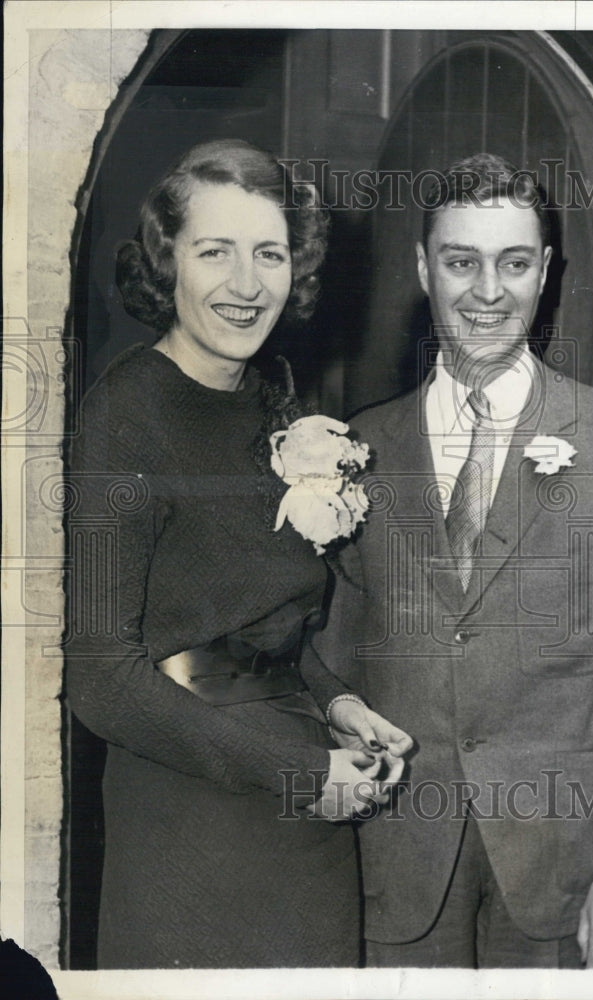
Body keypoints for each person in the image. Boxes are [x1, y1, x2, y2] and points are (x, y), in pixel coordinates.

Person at [313, 153, 593, 968]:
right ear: (424, 269)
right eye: (461, 262)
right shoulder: (362, 446)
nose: (488, 293)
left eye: (513, 263)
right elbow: (327, 657)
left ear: (544, 271)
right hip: (397, 859)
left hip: (565, 868)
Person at [65, 139, 411, 969]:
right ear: (167, 262)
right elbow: (102, 679)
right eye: (214, 251)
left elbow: (255, 626)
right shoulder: (125, 413)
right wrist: (295, 767)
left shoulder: (274, 402)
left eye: (270, 253)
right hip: (192, 820)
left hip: (307, 818)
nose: (246, 284)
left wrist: (335, 704)